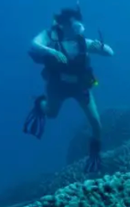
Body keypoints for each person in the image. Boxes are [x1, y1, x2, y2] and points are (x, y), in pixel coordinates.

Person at [23, 6, 115, 173]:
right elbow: (34, 44)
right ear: (63, 25)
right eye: (73, 25)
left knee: (96, 122)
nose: (78, 29)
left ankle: (94, 157)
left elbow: (110, 52)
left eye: (79, 25)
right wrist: (50, 50)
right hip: (57, 86)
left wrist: (101, 47)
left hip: (81, 86)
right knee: (51, 113)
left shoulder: (83, 42)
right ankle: (40, 104)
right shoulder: (50, 38)